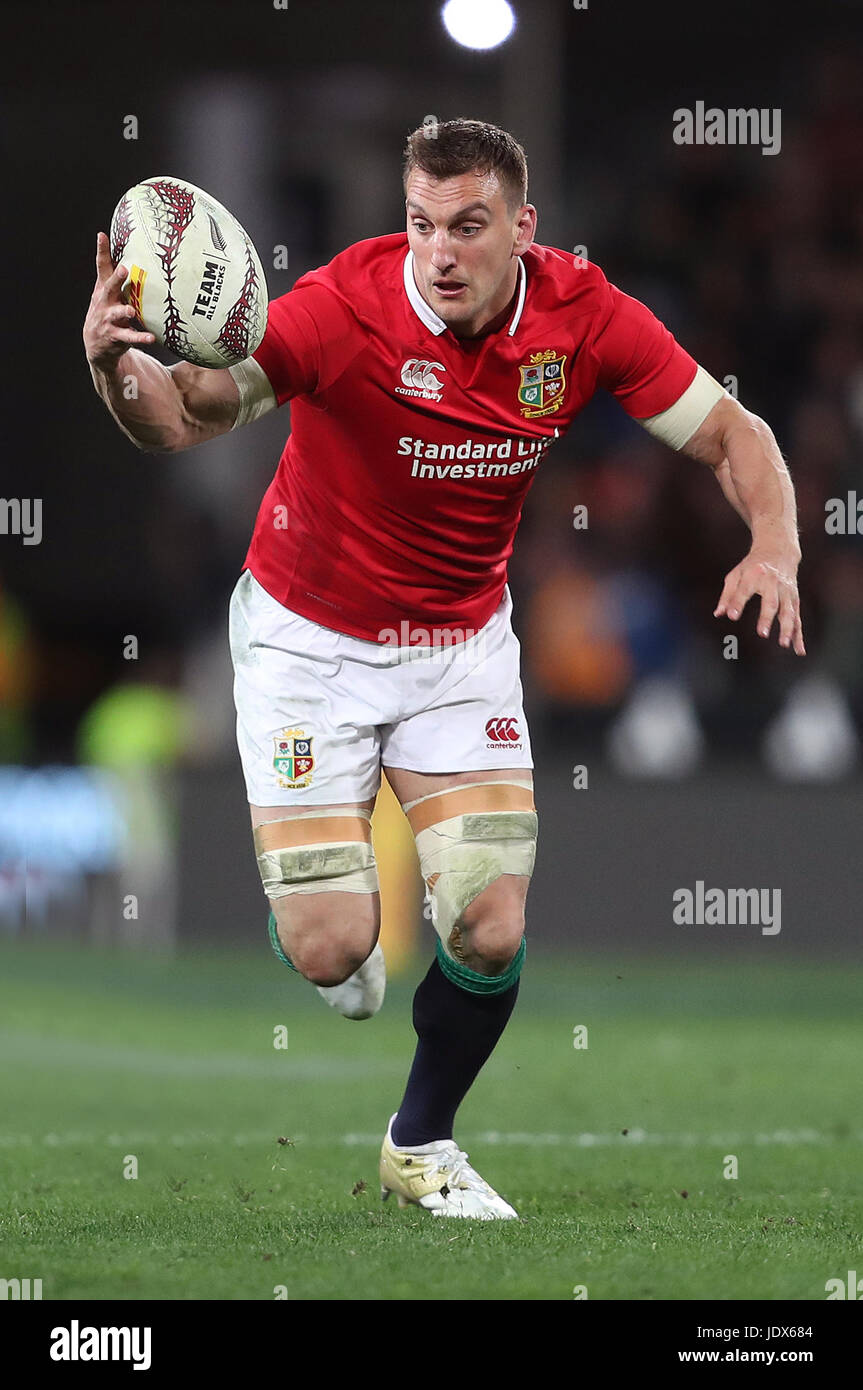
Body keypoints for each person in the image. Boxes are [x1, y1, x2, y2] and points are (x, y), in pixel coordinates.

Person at [83, 118, 805, 1220]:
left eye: (468, 227)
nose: (440, 253)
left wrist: (774, 545)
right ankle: (328, 940)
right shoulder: (339, 307)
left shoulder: (585, 316)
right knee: (336, 952)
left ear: (523, 228)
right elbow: (186, 415)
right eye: (421, 225)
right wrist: (114, 366)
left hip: (456, 646)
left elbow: (732, 435)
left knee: (490, 921)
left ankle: (419, 1142)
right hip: (302, 640)